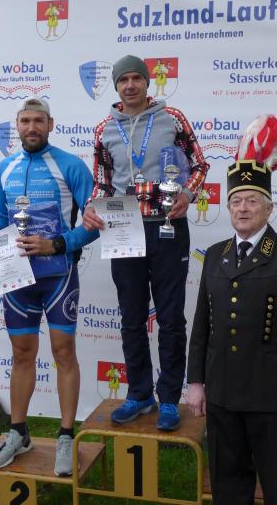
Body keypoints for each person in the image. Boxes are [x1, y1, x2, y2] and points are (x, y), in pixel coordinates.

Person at [0, 98, 98, 476]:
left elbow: (93, 223)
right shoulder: (6, 167)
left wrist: (57, 244)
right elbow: (1, 219)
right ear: (17, 125)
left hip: (58, 276)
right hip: (17, 278)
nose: (31, 127)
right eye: (25, 121)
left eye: (38, 121)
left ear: (50, 124)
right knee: (21, 354)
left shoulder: (70, 165)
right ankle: (18, 433)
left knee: (63, 352)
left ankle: (67, 435)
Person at [82, 54, 209, 431]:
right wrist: (90, 206)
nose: (130, 85)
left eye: (136, 78)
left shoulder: (173, 118)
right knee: (132, 317)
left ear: (147, 82)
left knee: (170, 318)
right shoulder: (104, 129)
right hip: (123, 228)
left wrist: (187, 193)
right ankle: (139, 393)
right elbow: (102, 182)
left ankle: (169, 397)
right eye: (123, 80)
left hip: (168, 226)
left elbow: (199, 165)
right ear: (116, 86)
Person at [186, 159, 277, 504]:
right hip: (222, 396)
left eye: (252, 200)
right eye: (236, 201)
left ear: (269, 208)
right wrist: (196, 381)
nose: (243, 208)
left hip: (271, 398)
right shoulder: (215, 255)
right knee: (227, 485)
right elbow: (202, 324)